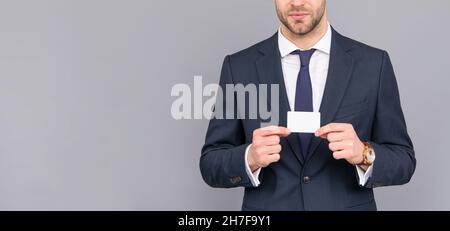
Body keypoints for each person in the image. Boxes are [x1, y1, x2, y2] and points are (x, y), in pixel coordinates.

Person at [200, 0, 416, 211]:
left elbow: (403, 161)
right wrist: (250, 158)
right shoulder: (238, 67)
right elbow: (211, 163)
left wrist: (364, 153)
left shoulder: (373, 64)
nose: (297, 3)